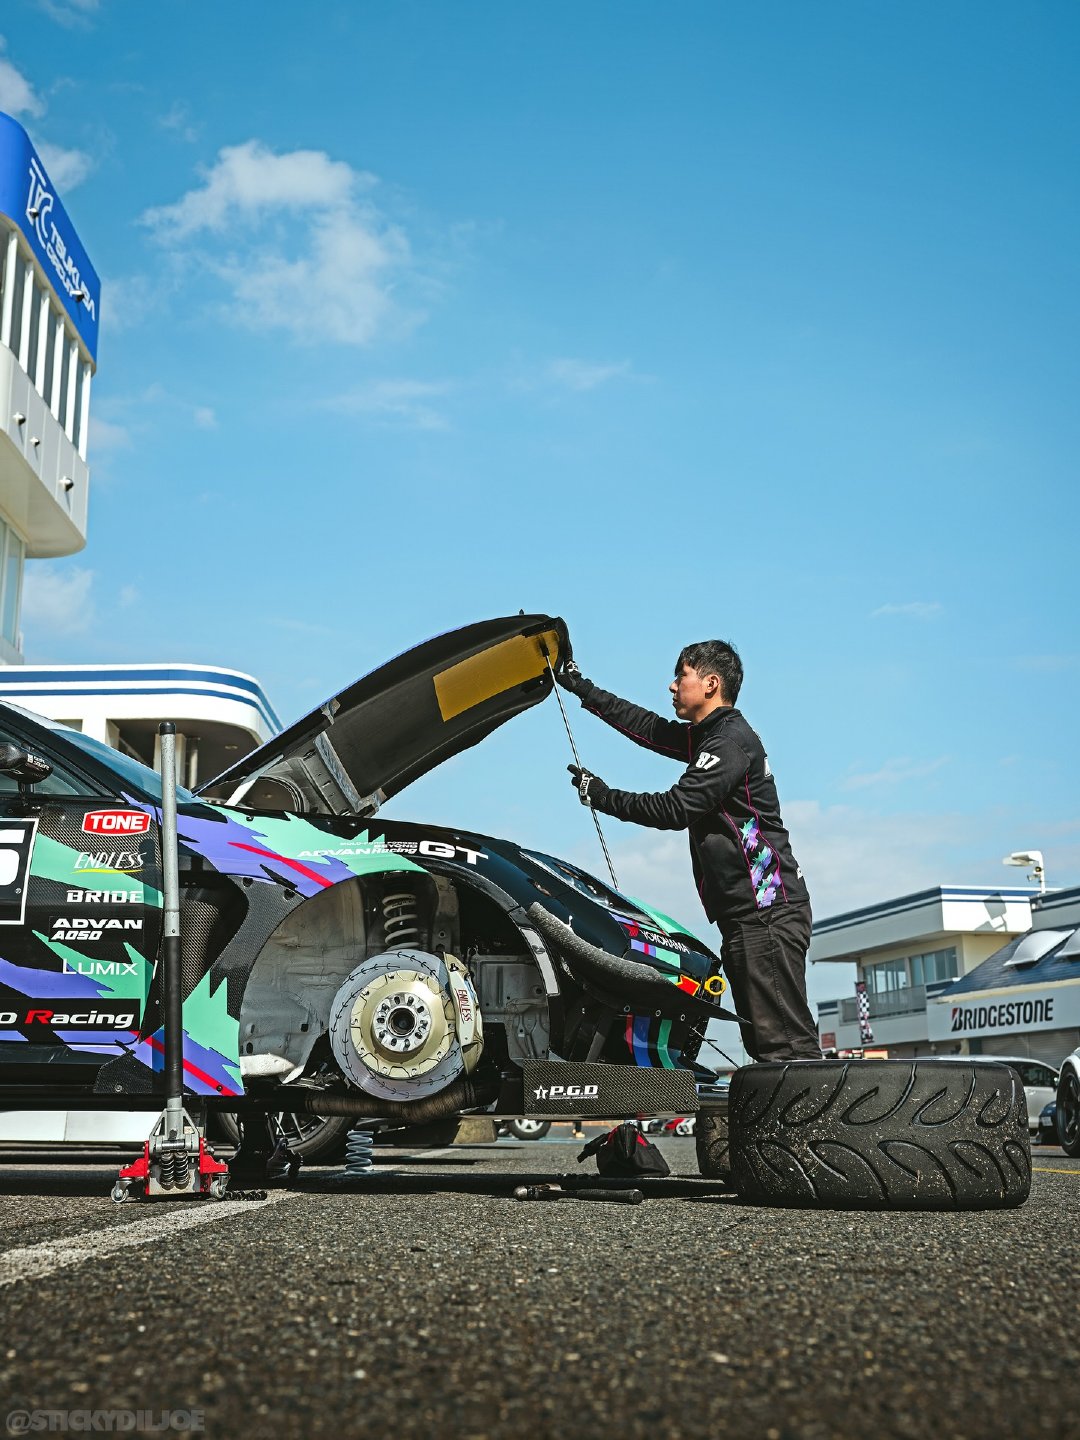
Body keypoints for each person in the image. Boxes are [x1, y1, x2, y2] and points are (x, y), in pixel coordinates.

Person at [556, 640, 820, 1064]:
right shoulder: (713, 736)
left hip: (766, 912)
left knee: (785, 1048)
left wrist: (603, 797)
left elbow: (675, 809)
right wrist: (580, 687)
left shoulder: (728, 743)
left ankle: (814, 1110)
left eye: (681, 675)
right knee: (767, 1046)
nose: (672, 685)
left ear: (711, 683)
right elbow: (649, 728)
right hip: (749, 914)